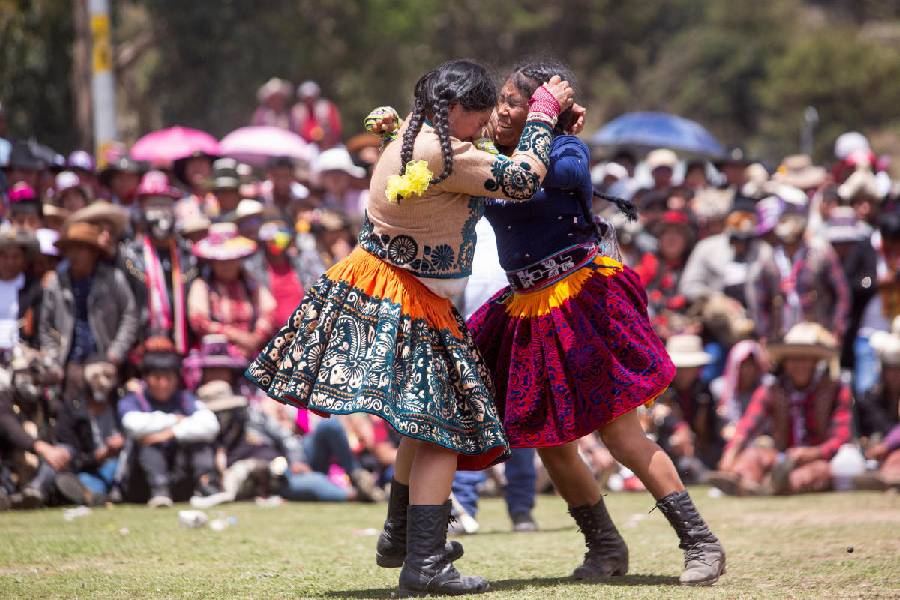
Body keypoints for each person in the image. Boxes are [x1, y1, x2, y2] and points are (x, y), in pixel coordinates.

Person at [247, 60, 573, 597]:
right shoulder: (441, 151)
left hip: (394, 289)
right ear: (462, 110)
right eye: (484, 113)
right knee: (442, 428)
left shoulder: (417, 130)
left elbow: (487, 151)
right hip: (406, 298)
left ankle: (402, 537)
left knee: (423, 422)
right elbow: (519, 180)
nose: (489, 123)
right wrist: (541, 113)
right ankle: (424, 562)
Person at [460, 61, 723, 586]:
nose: (503, 109)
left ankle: (700, 543)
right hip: (528, 307)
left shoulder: (563, 149)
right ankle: (605, 548)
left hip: (583, 302)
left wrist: (543, 122)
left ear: (544, 109)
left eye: (516, 101)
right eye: (505, 100)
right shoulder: (491, 160)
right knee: (552, 441)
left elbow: (569, 179)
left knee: (621, 435)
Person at [711, 322, 851, 496]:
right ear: (785, 363)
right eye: (793, 359)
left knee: (813, 473)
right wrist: (730, 454)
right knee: (751, 457)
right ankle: (745, 483)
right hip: (781, 457)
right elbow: (748, 426)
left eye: (805, 359)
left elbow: (841, 437)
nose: (799, 365)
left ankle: (770, 487)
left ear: (815, 362)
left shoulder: (835, 390)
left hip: (821, 460)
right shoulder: (772, 390)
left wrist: (813, 453)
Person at [39, 222, 139, 403]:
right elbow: (46, 326)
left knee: (102, 417)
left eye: (81, 249)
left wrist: (116, 353)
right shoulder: (56, 283)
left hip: (103, 360)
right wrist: (53, 358)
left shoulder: (113, 279)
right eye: (70, 249)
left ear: (93, 252)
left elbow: (130, 315)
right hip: (67, 364)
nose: (74, 255)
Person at [118, 338, 221, 507]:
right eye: (157, 378)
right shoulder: (134, 399)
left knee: (199, 441)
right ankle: (159, 491)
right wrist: (174, 420)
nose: (163, 384)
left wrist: (171, 433)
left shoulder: (184, 399)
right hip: (141, 481)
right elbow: (132, 425)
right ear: (146, 378)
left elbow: (211, 425)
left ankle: (207, 486)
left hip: (179, 474)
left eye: (168, 378)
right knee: (147, 440)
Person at [747, 190, 851, 343]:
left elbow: (842, 294)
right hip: (780, 337)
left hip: (817, 335)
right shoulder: (768, 259)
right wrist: (764, 335)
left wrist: (836, 329)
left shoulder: (820, 253)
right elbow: (758, 301)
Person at [120, 171, 197, 353]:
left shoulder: (189, 255)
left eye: (164, 204)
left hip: (182, 345)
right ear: (141, 210)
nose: (160, 213)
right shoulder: (129, 256)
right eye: (152, 206)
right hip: (142, 346)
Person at [187, 223, 276, 361]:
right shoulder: (202, 286)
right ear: (212, 262)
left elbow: (269, 310)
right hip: (216, 359)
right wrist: (235, 336)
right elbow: (199, 321)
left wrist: (256, 338)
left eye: (231, 261)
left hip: (252, 354)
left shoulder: (250, 284)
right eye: (221, 262)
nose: (227, 266)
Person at [652, 335, 724, 483]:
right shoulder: (661, 388)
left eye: (688, 368)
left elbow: (712, 430)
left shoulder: (704, 390)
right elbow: (657, 417)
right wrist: (680, 427)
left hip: (700, 448)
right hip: (666, 447)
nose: (683, 373)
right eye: (680, 368)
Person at [243, 214, 325, 328]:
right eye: (271, 239)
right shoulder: (252, 269)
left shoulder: (301, 264)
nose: (276, 243)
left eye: (281, 238)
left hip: (303, 330)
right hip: (273, 334)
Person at [859, 324, 900, 487]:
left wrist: (887, 444)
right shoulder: (870, 398)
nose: (896, 375)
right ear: (882, 371)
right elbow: (879, 428)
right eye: (891, 369)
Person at [711, 340, 772, 441]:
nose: (748, 370)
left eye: (751, 365)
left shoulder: (767, 388)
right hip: (726, 444)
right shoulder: (719, 389)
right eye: (743, 365)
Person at [313, 148, 368, 223]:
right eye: (330, 174)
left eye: (340, 173)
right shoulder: (324, 202)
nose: (335, 179)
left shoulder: (365, 199)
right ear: (323, 179)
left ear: (348, 176)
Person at [291, 80, 342, 148]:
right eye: (306, 98)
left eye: (311, 97)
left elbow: (336, 128)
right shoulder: (297, 111)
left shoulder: (326, 107)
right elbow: (294, 131)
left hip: (327, 145)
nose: (309, 100)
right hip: (304, 146)